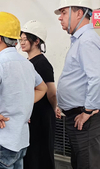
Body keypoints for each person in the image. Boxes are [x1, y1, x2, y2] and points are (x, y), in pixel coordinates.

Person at [0, 12, 48, 169]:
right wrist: (24, 104)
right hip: (20, 139)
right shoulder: (26, 63)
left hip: (0, 141)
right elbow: (42, 88)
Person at [55, 0, 100, 168]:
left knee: (87, 163)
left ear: (79, 13)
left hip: (85, 118)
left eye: (64, 13)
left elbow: (97, 78)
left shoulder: (87, 41)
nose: (60, 18)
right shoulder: (79, 40)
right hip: (77, 118)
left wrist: (88, 110)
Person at [20, 20, 56, 169]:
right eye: (20, 39)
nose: (21, 42)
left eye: (25, 39)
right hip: (31, 115)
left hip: (41, 115)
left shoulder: (42, 63)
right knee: (32, 154)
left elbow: (52, 92)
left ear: (36, 41)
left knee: (41, 154)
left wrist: (54, 109)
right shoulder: (27, 61)